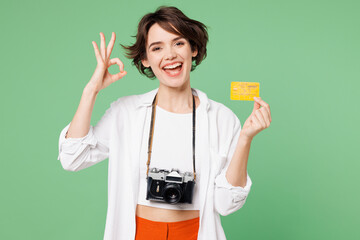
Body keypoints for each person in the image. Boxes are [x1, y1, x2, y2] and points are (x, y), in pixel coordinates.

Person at [57, 6, 271, 240]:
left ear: (194, 49)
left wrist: (245, 139)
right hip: (138, 232)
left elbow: (226, 203)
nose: (169, 55)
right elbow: (72, 158)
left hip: (195, 232)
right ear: (146, 60)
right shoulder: (126, 113)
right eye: (157, 48)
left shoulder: (221, 118)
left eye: (178, 43)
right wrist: (91, 91)